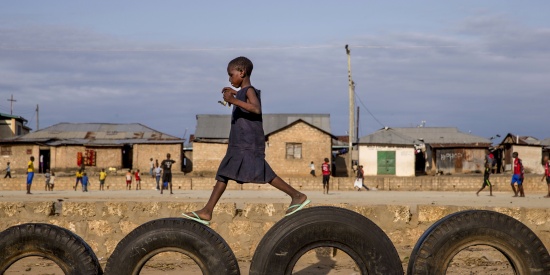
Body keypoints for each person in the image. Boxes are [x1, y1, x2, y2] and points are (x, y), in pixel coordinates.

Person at [182, 57, 309, 226]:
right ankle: (207, 211)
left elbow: (256, 108)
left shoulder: (250, 90)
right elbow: (245, 102)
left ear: (242, 72)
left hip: (248, 142)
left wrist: (234, 100)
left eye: (231, 75)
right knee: (223, 173)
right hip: (239, 142)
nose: (229, 79)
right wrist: (235, 94)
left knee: (262, 172)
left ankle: (297, 196)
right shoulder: (243, 92)